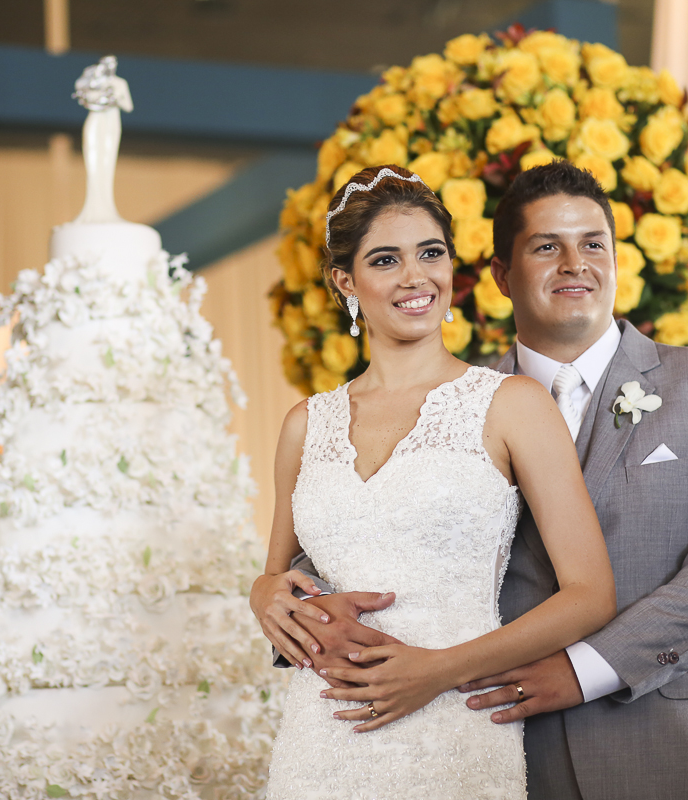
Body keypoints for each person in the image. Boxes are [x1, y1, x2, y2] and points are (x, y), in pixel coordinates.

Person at [256, 161, 688, 799]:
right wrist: (271, 595)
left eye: (593, 244)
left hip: (669, 743)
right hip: (500, 736)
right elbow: (343, 551)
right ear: (500, 276)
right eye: (546, 247)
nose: (575, 264)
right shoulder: (462, 393)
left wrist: (584, 669)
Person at [254, 165, 616, 800]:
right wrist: (263, 595)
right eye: (385, 260)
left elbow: (591, 595)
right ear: (346, 282)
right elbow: (282, 580)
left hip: (456, 728)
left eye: (430, 253)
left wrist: (438, 670)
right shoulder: (304, 424)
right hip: (322, 737)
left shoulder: (512, 404)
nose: (415, 277)